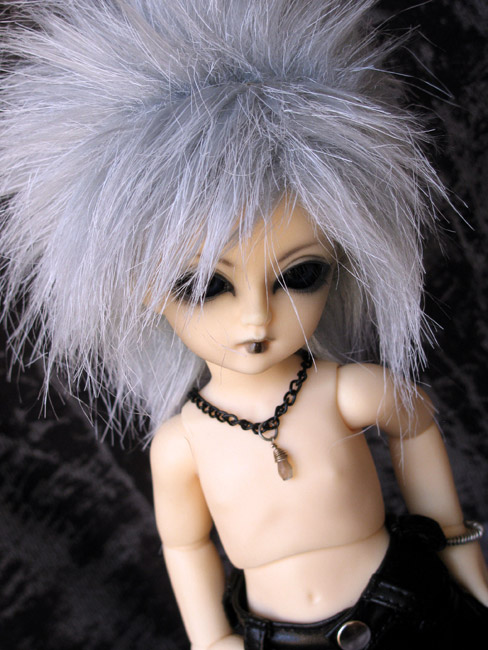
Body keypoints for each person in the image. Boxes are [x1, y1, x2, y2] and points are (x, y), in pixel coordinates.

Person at [1, 1, 487, 649]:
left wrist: (458, 551)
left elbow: (417, 425)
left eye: (300, 275)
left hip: (407, 605)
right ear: (145, 292)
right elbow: (185, 546)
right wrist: (212, 639)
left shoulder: (349, 391)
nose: (256, 318)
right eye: (206, 286)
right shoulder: (183, 445)